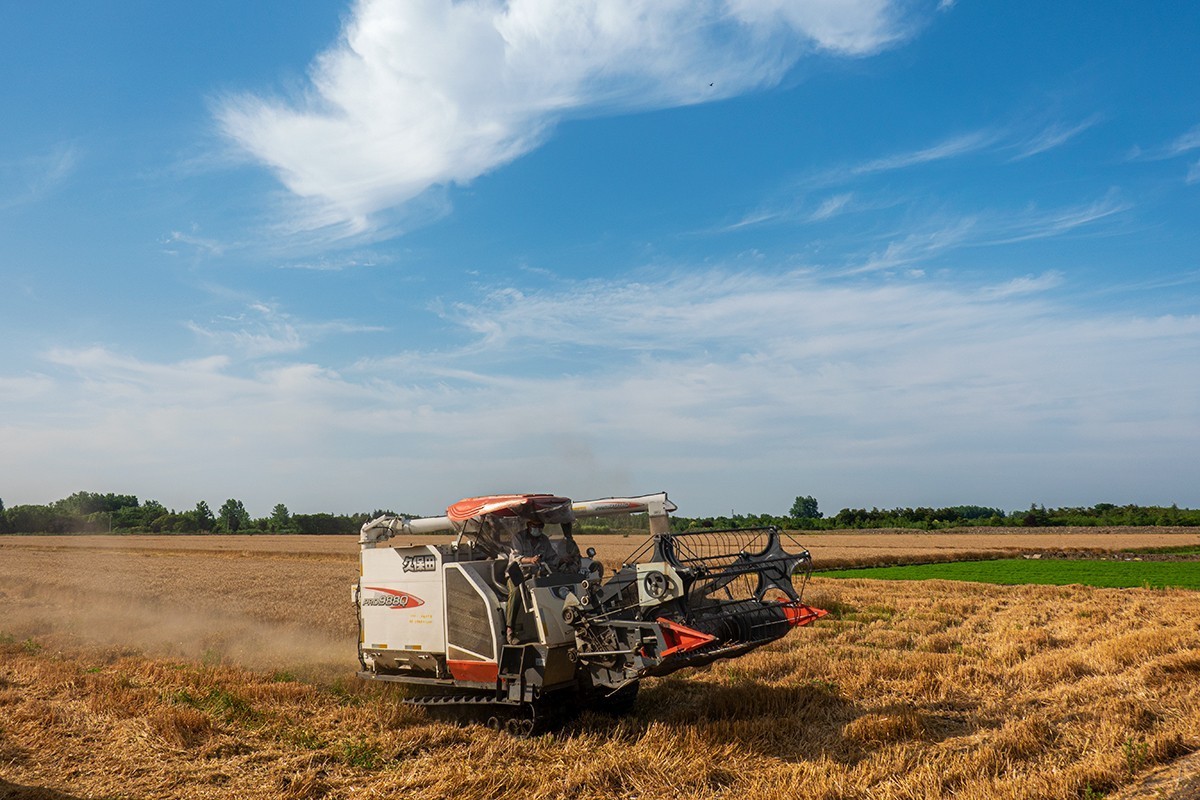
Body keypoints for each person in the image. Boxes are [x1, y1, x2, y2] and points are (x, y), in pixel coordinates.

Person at [505, 520, 560, 644]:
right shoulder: (519, 538)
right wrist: (530, 559)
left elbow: (552, 557)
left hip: (536, 574)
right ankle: (510, 630)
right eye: (535, 526)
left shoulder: (544, 540)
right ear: (529, 525)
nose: (538, 529)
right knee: (516, 592)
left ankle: (553, 629)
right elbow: (516, 558)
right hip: (517, 574)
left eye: (541, 526)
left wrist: (562, 560)